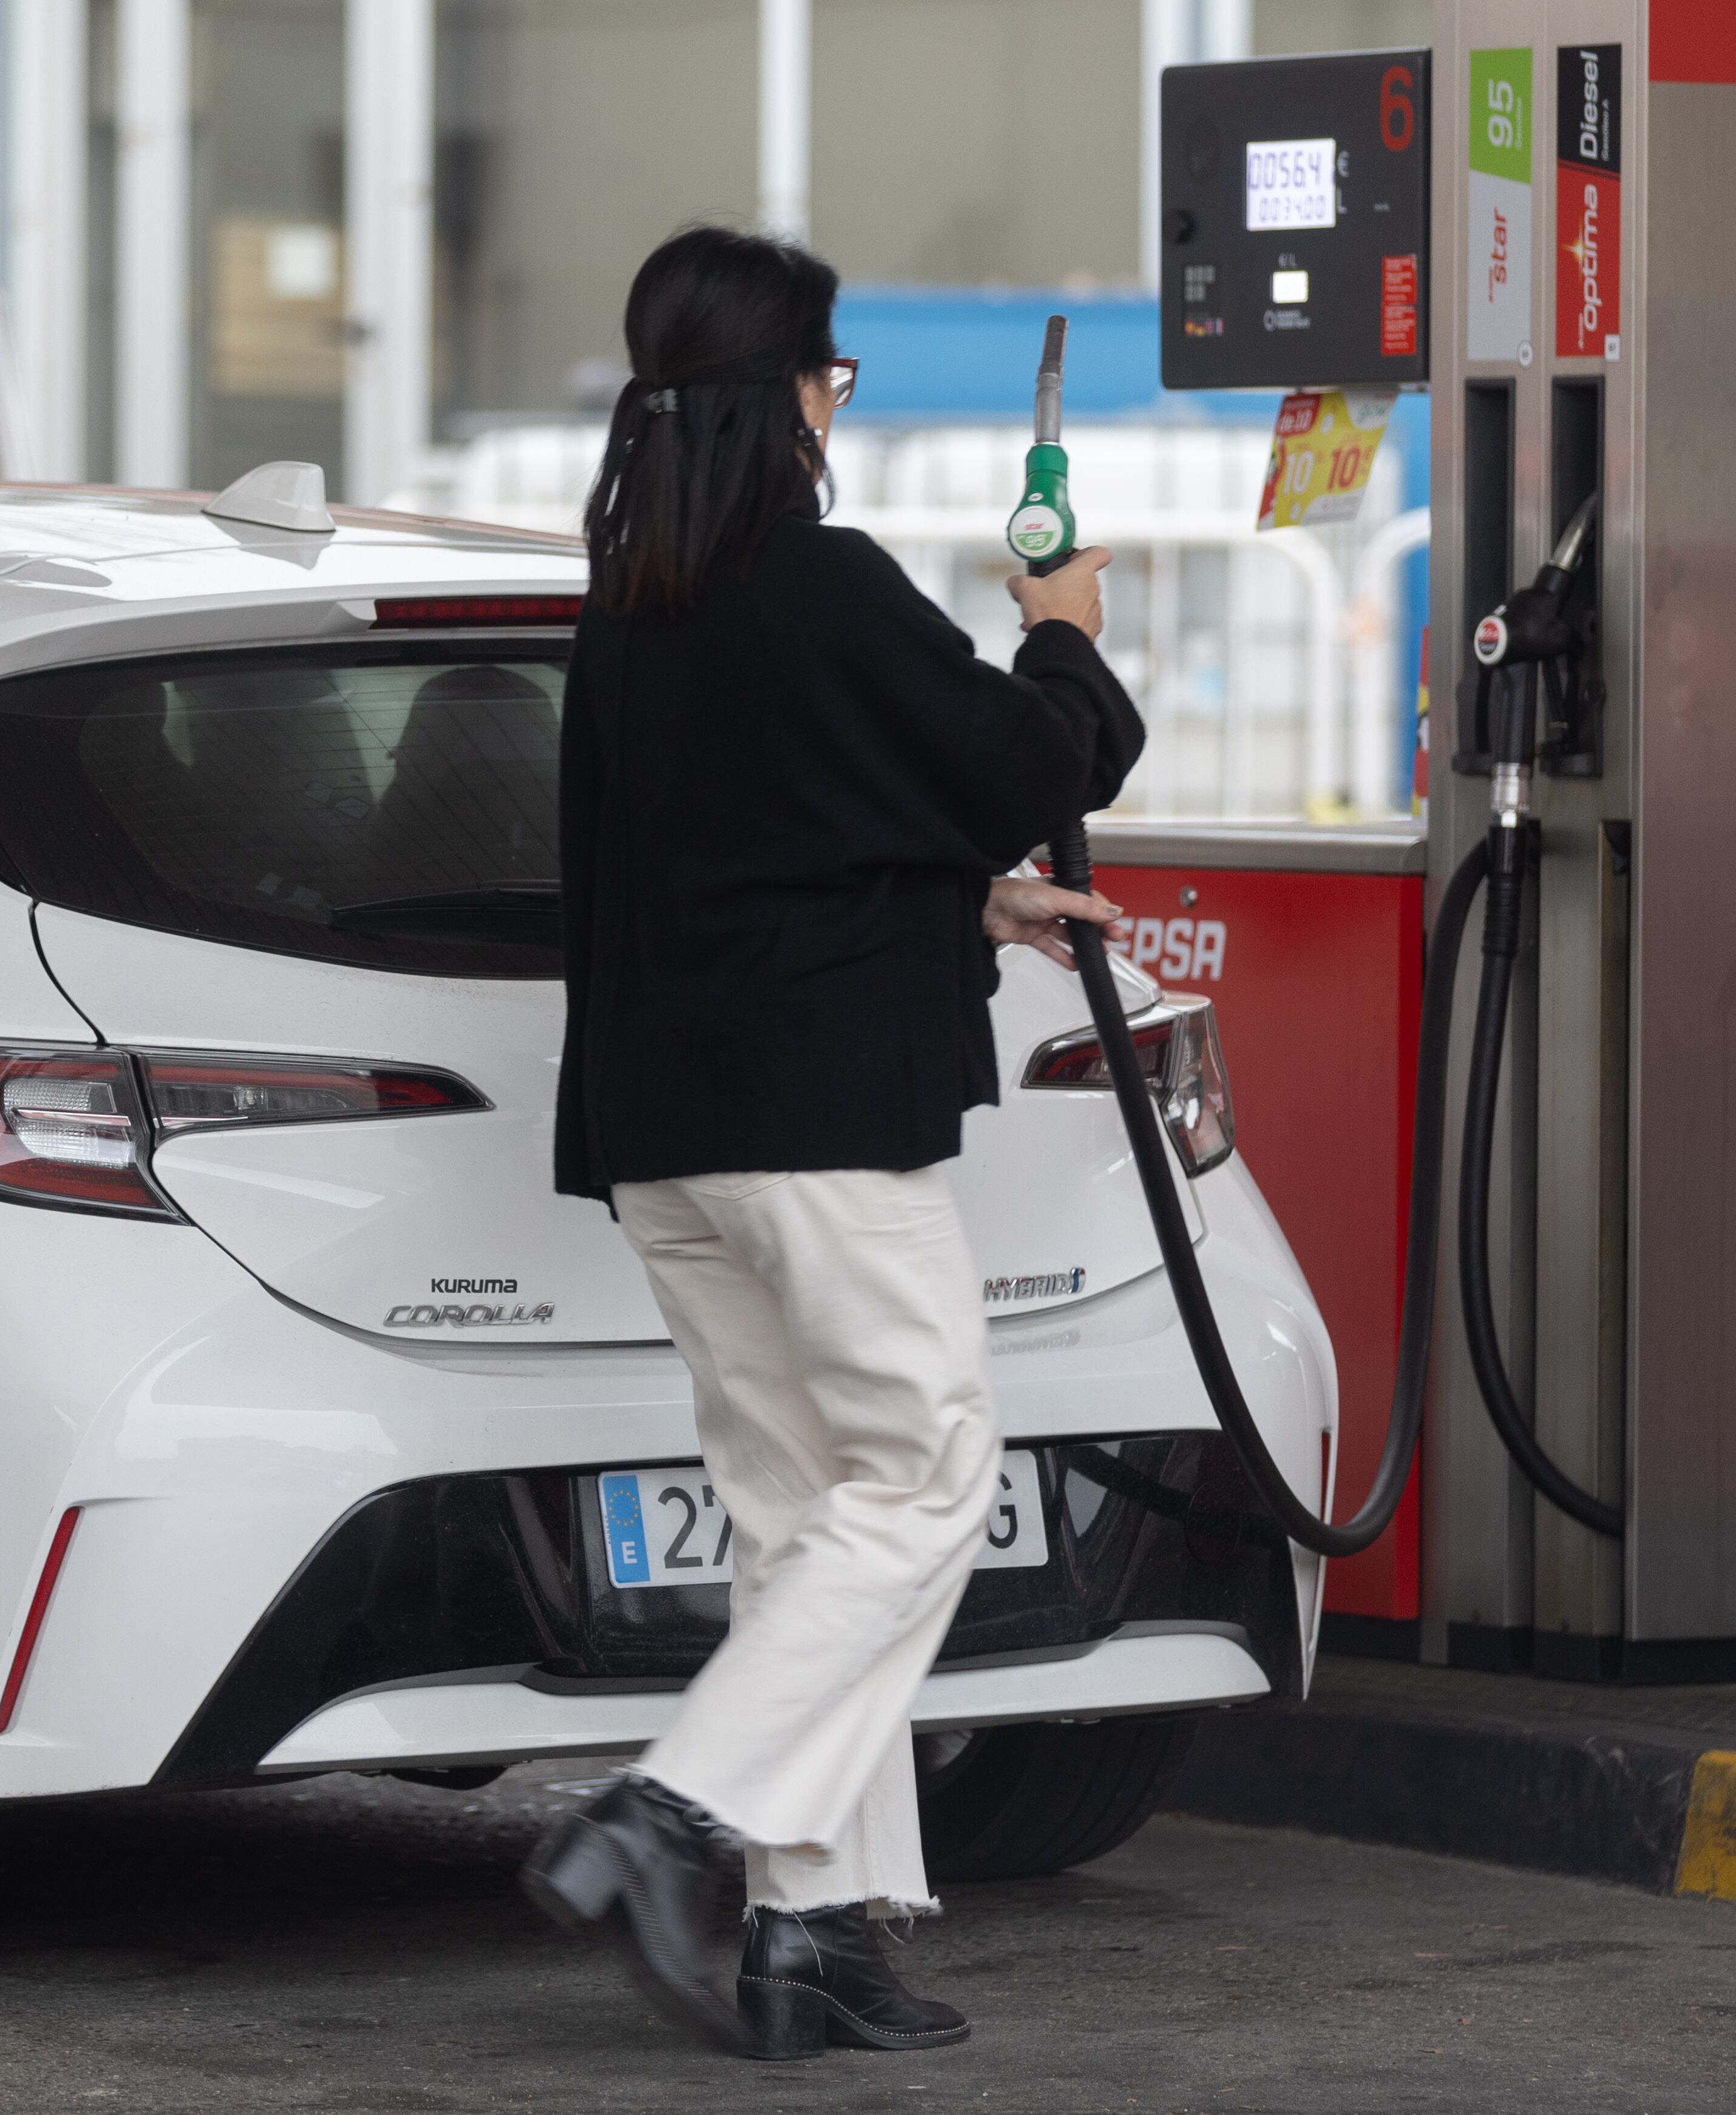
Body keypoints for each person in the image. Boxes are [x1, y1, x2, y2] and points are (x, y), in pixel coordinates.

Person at [520, 225, 1143, 2061]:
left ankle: (817, 1934)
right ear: (786, 395)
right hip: (814, 1135)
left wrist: (964, 912)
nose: (831, 407)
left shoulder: (627, 612)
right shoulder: (821, 584)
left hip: (667, 1139)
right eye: (830, 376)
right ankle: (673, 1810)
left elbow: (741, 864)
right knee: (935, 1472)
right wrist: (1065, 633)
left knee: (806, 1518)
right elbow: (1027, 754)